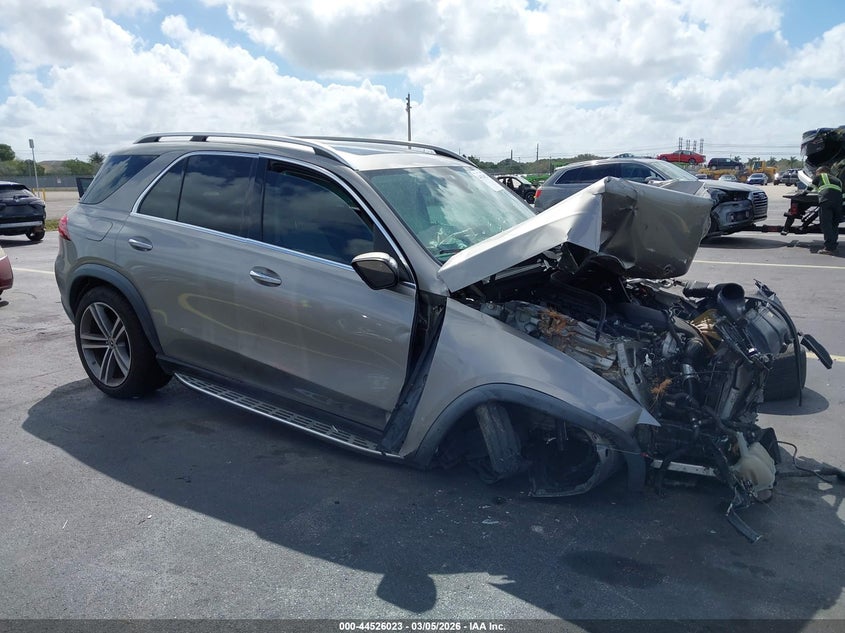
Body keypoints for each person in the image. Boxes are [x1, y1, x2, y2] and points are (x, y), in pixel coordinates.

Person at [811, 166, 843, 254]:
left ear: (821, 171)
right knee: (834, 224)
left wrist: (803, 193)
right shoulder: (838, 180)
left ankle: (829, 248)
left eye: (816, 173)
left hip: (826, 201)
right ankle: (833, 246)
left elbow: (811, 186)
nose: (815, 174)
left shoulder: (821, 176)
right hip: (838, 203)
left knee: (826, 224)